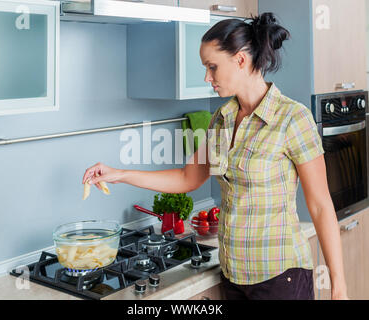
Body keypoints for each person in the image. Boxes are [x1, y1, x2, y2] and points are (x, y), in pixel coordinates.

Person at [82, 12, 348, 300]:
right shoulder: (221, 118)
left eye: (212, 67)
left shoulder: (292, 118)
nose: (207, 77)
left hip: (280, 277)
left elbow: (320, 205)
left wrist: (339, 286)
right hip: (233, 275)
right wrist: (120, 174)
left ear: (240, 60)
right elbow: (187, 177)